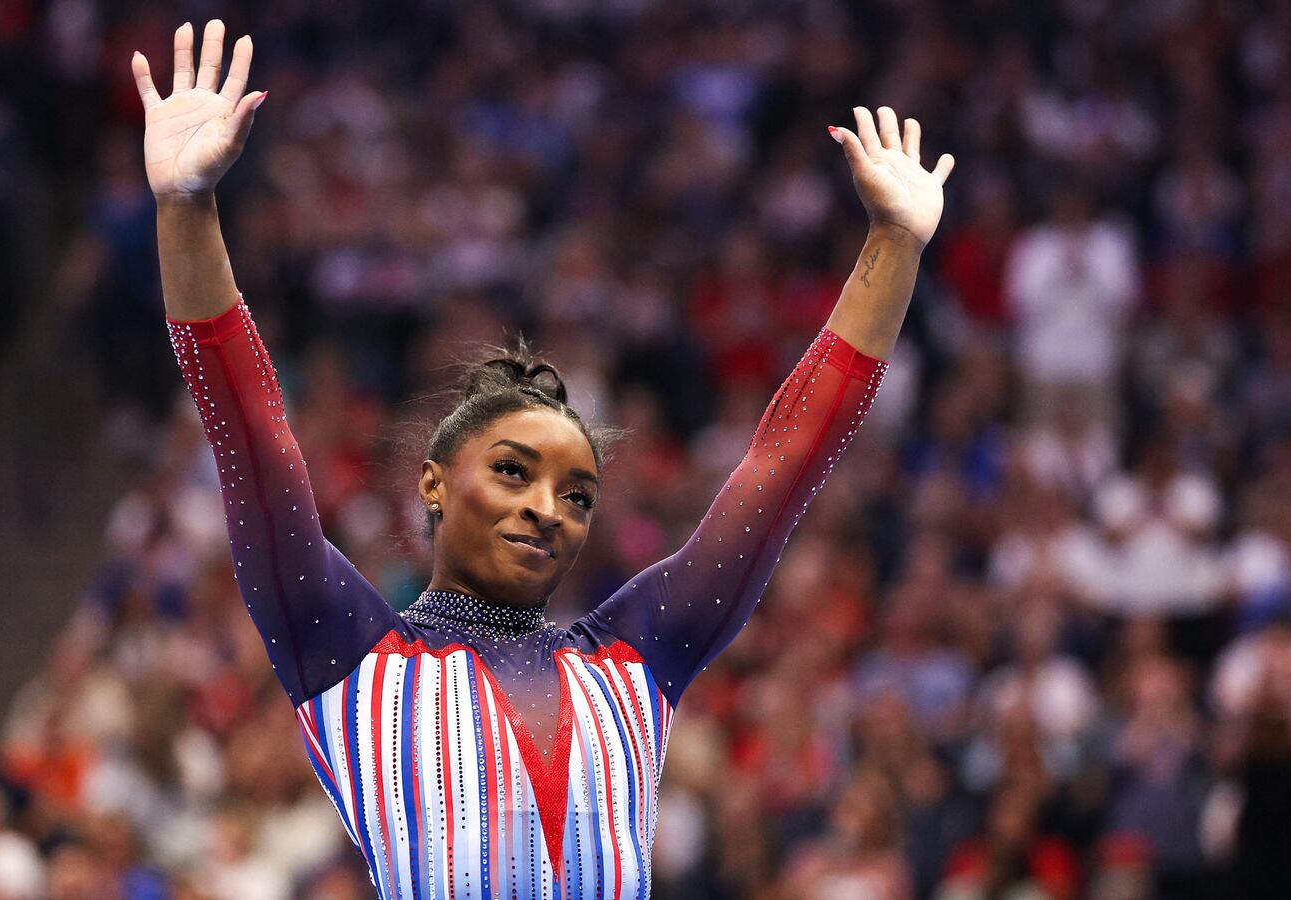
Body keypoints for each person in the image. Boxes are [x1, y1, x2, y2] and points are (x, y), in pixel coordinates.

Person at [130, 18, 954, 897]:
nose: (547, 509)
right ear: (436, 485)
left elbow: (785, 462)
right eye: (514, 471)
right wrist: (187, 207)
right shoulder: (349, 656)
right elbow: (252, 435)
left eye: (578, 495)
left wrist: (893, 244)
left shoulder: (638, 658)